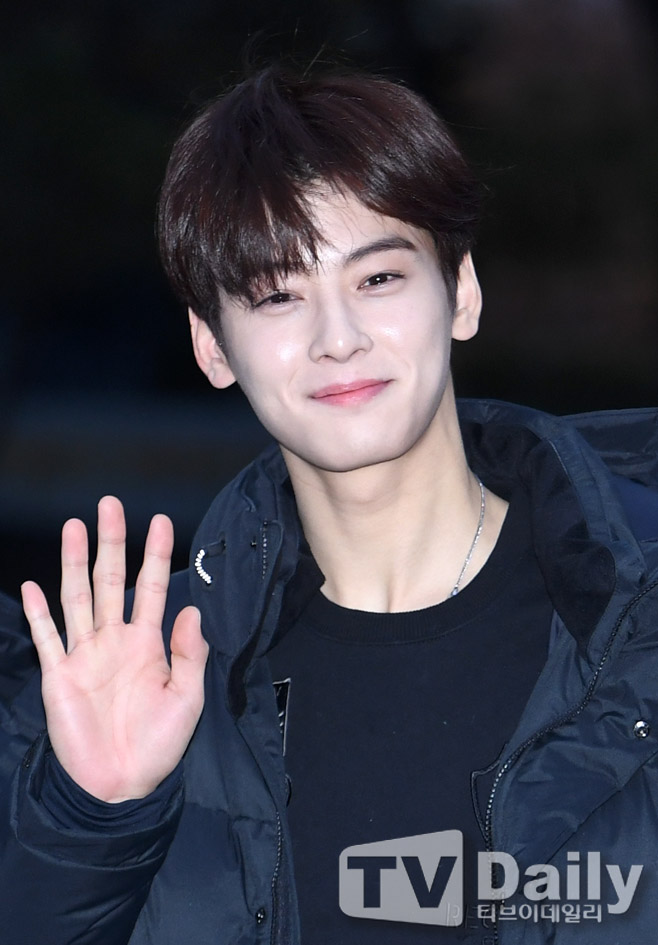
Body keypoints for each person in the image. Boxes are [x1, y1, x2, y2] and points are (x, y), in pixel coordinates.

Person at [2, 63, 658, 945]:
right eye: (279, 296)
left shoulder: (634, 625)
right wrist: (93, 816)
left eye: (378, 278)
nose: (337, 338)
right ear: (211, 346)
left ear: (460, 292)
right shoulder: (132, 684)